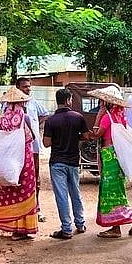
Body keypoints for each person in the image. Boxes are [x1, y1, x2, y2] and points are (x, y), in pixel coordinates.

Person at [89, 85, 132, 238]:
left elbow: (96, 134)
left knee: (111, 191)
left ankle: (125, 224)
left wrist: (98, 117)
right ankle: (128, 223)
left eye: (101, 101)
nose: (100, 103)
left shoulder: (107, 117)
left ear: (106, 103)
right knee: (117, 190)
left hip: (109, 156)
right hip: (117, 156)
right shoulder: (120, 117)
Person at [0, 88, 38, 240]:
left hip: (8, 163)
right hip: (24, 160)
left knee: (6, 192)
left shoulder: (1, 119)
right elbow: (32, 138)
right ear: (21, 102)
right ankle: (20, 230)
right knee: (25, 191)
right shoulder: (25, 117)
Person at [43, 88, 92, 239]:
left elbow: (46, 143)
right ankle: (80, 224)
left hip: (57, 162)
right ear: (68, 100)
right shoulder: (78, 117)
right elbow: (86, 136)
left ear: (58, 101)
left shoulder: (50, 120)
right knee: (75, 193)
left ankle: (66, 229)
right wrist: (74, 137)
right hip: (73, 161)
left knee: (62, 196)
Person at [15, 77, 50, 222]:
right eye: (25, 87)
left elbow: (45, 114)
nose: (28, 89)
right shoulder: (9, 105)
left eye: (29, 87)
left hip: (33, 147)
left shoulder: (33, 103)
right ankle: (19, 209)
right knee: (18, 179)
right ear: (17, 88)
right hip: (17, 148)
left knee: (35, 178)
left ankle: (37, 208)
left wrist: (33, 126)